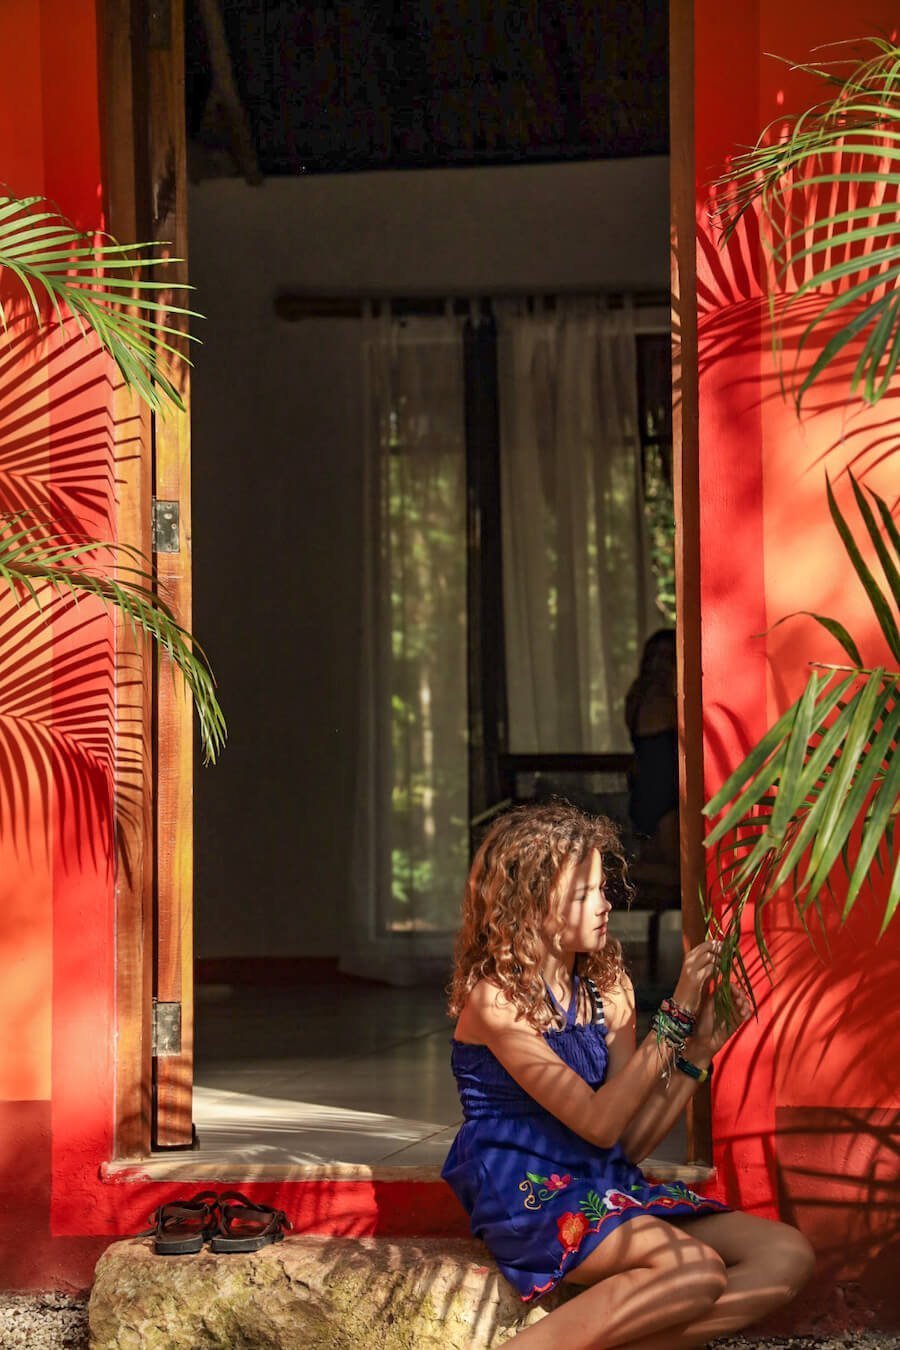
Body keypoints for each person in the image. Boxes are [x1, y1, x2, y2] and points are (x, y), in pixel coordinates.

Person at [442, 803, 814, 1348]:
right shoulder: (495, 1002)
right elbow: (597, 1122)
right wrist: (677, 1015)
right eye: (585, 893)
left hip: (604, 1185)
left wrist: (700, 1051)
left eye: (603, 888)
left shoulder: (607, 986)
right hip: (529, 1195)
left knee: (785, 1253)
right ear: (527, 904)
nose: (605, 904)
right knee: (695, 1270)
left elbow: (626, 1141)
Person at [625, 629, 679, 900]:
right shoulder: (666, 703)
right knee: (679, 874)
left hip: (645, 789)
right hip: (664, 793)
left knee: (670, 871)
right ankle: (616, 872)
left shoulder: (636, 698)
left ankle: (619, 871)